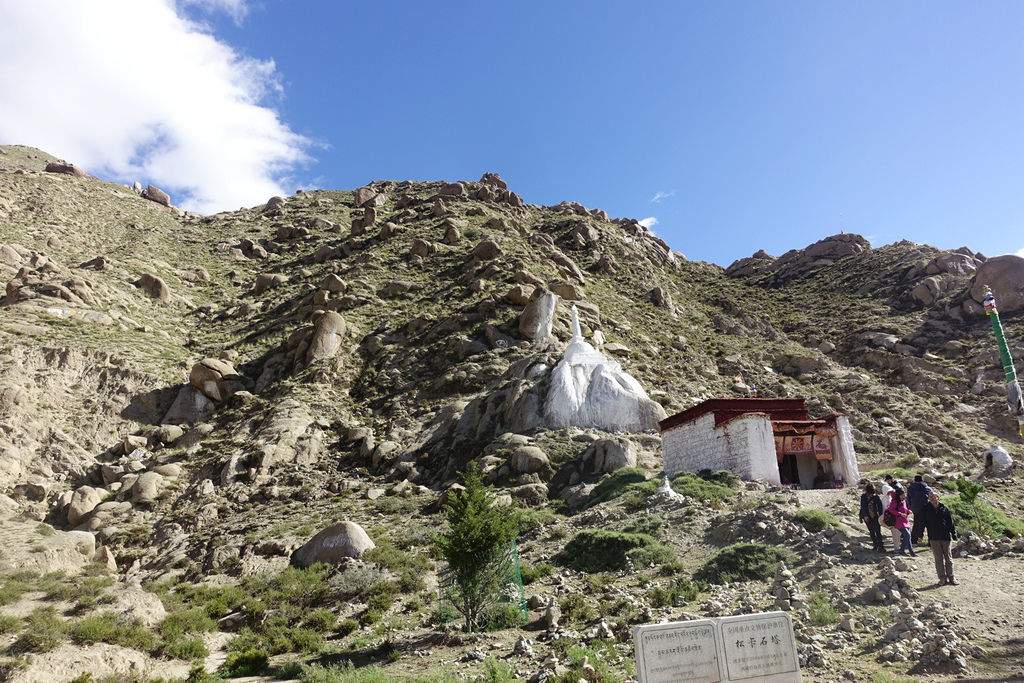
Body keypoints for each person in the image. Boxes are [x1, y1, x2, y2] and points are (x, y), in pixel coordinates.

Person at [918, 491, 959, 585]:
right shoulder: (926, 509)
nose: (931, 498)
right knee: (938, 559)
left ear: (938, 498)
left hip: (945, 536)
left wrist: (954, 534)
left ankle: (952, 577)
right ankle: (942, 578)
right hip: (933, 537)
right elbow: (922, 522)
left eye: (933, 496)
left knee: (948, 558)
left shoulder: (944, 508)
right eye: (930, 497)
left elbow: (950, 522)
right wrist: (920, 534)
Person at [887, 486, 915, 556]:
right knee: (907, 535)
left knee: (908, 536)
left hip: (905, 520)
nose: (904, 496)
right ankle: (904, 550)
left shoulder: (903, 501)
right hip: (898, 521)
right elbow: (891, 510)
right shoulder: (894, 501)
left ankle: (910, 552)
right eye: (902, 495)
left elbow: (905, 509)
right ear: (899, 495)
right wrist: (900, 514)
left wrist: (908, 511)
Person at [907, 474, 934, 546]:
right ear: (922, 480)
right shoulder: (927, 488)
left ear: (914, 480)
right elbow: (932, 497)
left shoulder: (911, 488)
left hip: (916, 509)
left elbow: (908, 499)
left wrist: (911, 507)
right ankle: (931, 542)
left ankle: (913, 541)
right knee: (929, 525)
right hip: (927, 508)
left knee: (916, 525)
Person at [859, 483, 885, 551]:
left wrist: (881, 515)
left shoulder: (876, 497)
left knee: (878, 531)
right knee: (871, 531)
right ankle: (875, 545)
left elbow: (880, 506)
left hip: (875, 516)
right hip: (867, 516)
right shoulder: (863, 497)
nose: (872, 495)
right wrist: (865, 516)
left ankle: (881, 546)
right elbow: (863, 507)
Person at [880, 475, 900, 549]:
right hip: (890, 517)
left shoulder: (892, 497)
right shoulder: (885, 499)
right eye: (889, 492)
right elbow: (886, 508)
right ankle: (897, 548)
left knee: (896, 533)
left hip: (894, 517)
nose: (891, 493)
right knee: (895, 532)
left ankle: (897, 547)